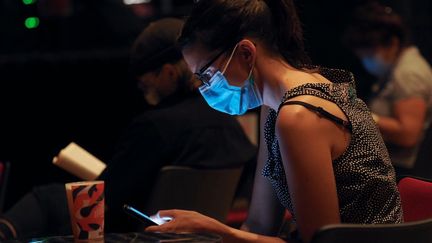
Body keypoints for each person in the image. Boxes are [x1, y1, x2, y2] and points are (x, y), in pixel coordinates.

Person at [144, 1, 403, 242]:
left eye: (206, 74)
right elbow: (259, 224)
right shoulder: (278, 106)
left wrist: (214, 230)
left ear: (246, 52)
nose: (205, 87)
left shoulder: (300, 116)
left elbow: (319, 242)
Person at [0, 17, 257, 240]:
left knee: (47, 198)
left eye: (145, 79)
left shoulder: (156, 126)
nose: (140, 86)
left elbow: (108, 198)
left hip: (139, 232)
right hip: (203, 236)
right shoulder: (227, 121)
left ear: (168, 73)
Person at [342, 2, 432, 175]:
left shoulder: (408, 74)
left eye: (370, 54)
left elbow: (408, 134)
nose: (366, 60)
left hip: (402, 170)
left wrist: (362, 115)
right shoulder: (397, 67)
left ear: (393, 43)